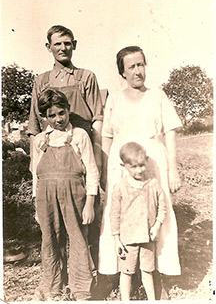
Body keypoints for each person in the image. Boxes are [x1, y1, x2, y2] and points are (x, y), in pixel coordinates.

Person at [98, 46, 182, 299]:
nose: (138, 71)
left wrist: (173, 168)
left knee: (156, 212)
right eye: (131, 66)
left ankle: (158, 274)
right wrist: (105, 170)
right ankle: (117, 270)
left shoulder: (157, 96)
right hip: (121, 163)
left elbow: (171, 131)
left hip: (152, 161)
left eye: (141, 65)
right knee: (119, 211)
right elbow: (107, 136)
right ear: (122, 72)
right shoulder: (113, 98)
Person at [31, 88, 99, 301]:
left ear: (68, 110)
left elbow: (92, 171)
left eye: (62, 113)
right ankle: (53, 289)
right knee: (50, 239)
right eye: (52, 115)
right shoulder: (40, 141)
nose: (58, 119)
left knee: (79, 238)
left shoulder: (79, 136)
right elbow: (35, 174)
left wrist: (90, 203)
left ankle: (81, 290)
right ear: (44, 116)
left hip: (74, 195)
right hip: (46, 197)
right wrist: (36, 206)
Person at [27, 25, 103, 172]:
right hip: (50, 152)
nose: (63, 48)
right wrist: (34, 160)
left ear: (74, 45)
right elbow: (34, 125)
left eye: (67, 43)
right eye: (57, 44)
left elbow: (98, 120)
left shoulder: (86, 77)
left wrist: (98, 160)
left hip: (81, 150)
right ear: (49, 47)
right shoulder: (41, 81)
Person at [110, 142, 166, 300]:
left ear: (147, 160)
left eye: (142, 165)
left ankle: (152, 299)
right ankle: (125, 300)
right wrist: (116, 239)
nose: (139, 170)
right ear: (124, 165)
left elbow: (163, 207)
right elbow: (114, 214)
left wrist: (157, 225)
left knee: (148, 270)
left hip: (148, 237)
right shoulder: (120, 187)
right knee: (126, 272)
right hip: (128, 239)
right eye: (133, 166)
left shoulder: (153, 184)